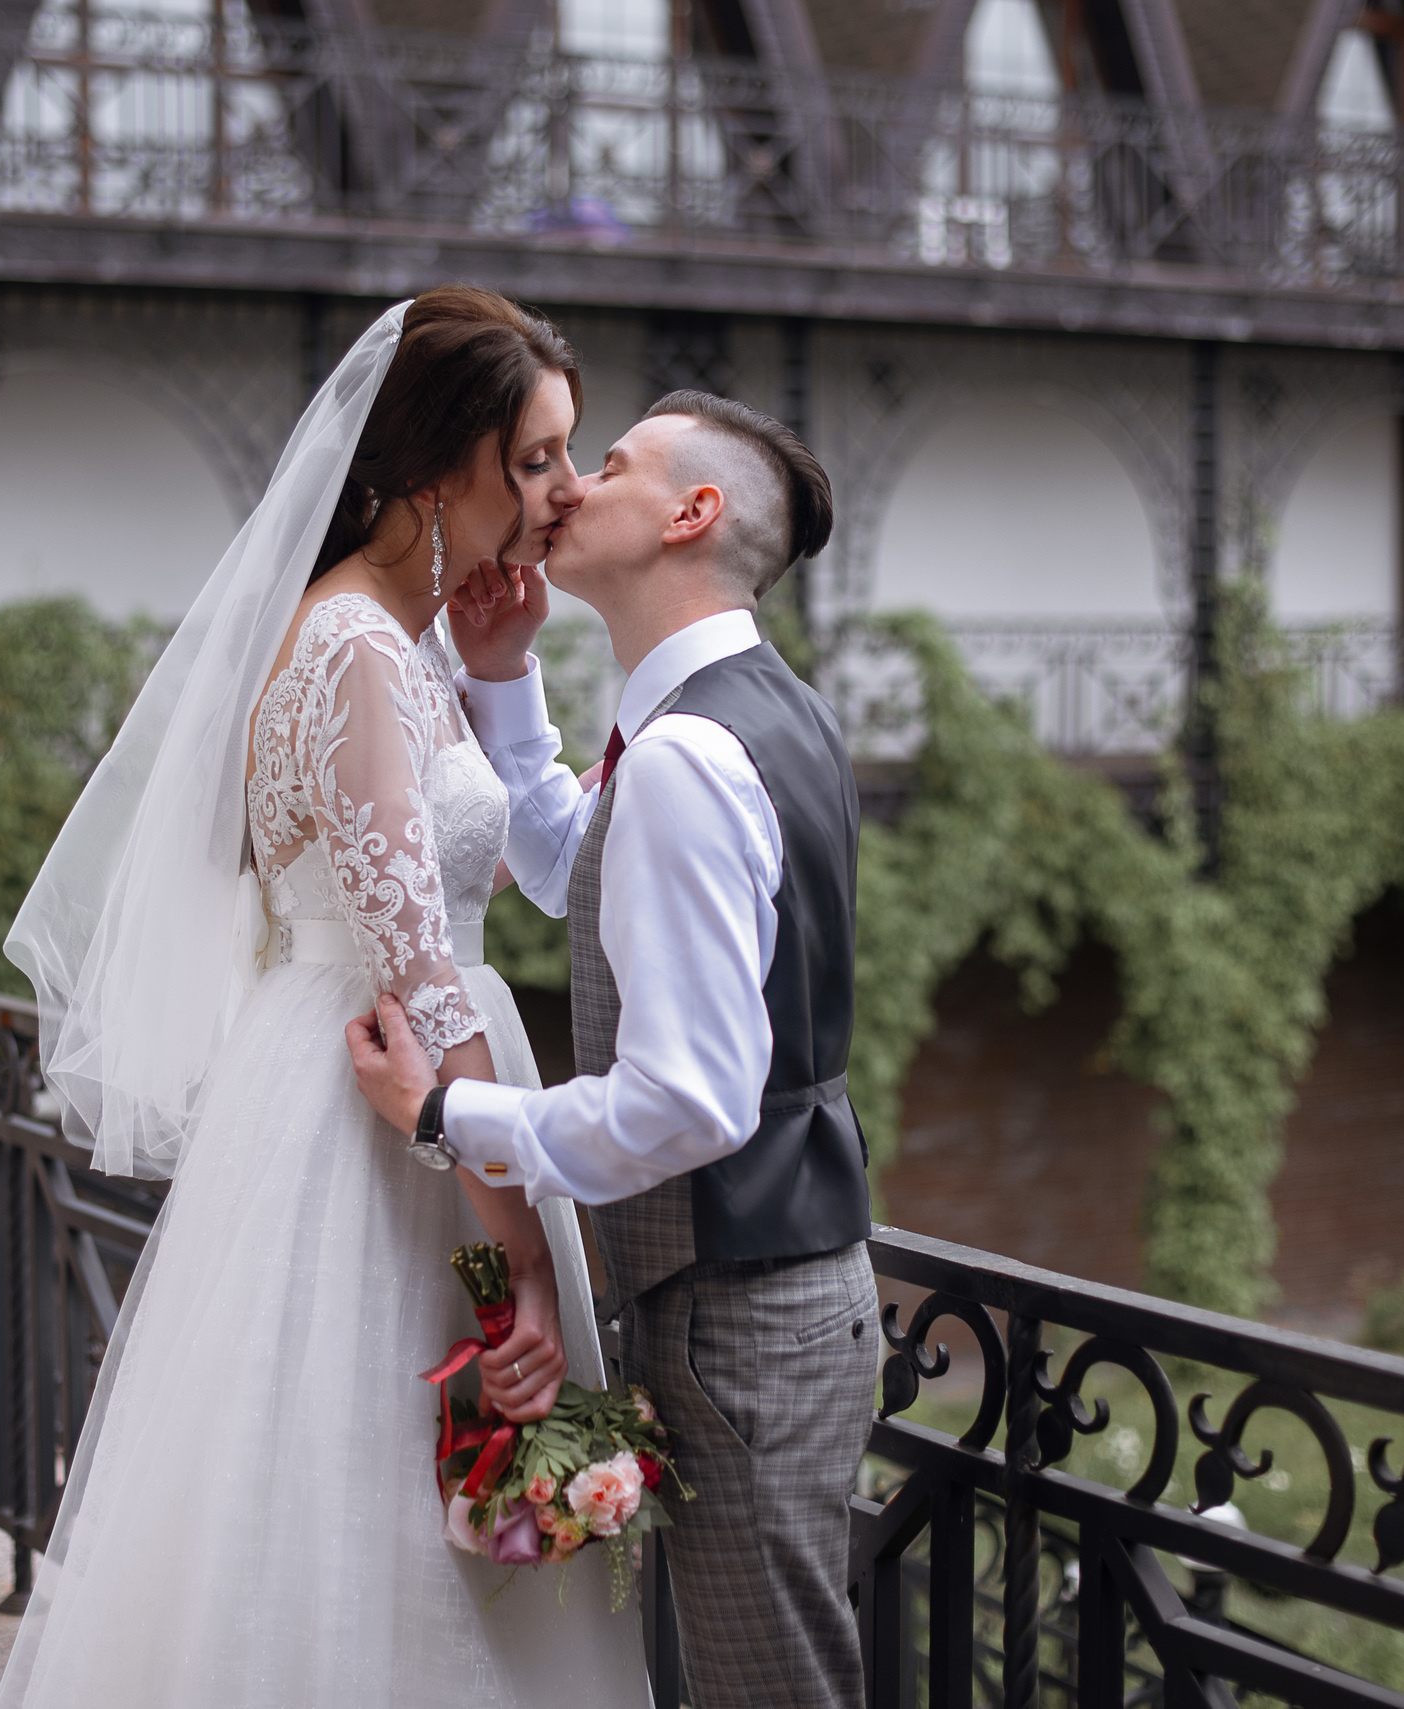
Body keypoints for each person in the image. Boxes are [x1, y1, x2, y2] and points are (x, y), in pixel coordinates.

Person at [0, 288, 648, 1708]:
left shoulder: (387, 637)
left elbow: (458, 876)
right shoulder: (355, 649)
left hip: (359, 1084)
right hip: (395, 1109)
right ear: (441, 468)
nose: (564, 489)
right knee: (373, 1494)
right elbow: (419, 982)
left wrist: (497, 673)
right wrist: (522, 1264)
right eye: (535, 458)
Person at [348, 392, 878, 1708]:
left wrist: (452, 1118)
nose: (572, 484)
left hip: (741, 1320)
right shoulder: (750, 714)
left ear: (692, 514)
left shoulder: (690, 753)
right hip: (772, 1290)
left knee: (769, 1692)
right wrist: (504, 676)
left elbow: (691, 1100)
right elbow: (570, 867)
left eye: (614, 463)